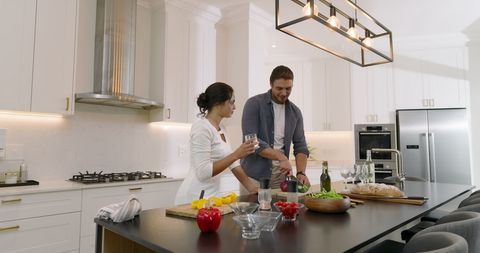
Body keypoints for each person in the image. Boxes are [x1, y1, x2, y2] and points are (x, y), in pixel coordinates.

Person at [175, 82, 258, 205]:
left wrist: (252, 188)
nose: (234, 107)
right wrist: (236, 154)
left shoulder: (222, 128)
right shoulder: (201, 128)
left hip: (209, 197)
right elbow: (203, 172)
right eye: (231, 102)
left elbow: (233, 163)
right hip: (194, 198)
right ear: (218, 103)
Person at [241, 65, 311, 190]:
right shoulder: (254, 104)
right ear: (270, 84)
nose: (284, 93)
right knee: (254, 209)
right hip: (254, 178)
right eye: (279, 88)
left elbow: (300, 146)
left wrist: (301, 173)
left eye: (288, 88)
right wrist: (281, 157)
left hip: (281, 177)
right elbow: (252, 142)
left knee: (281, 209)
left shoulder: (295, 112)